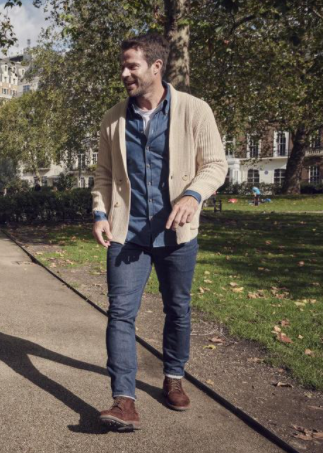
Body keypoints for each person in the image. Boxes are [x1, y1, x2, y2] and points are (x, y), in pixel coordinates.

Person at [91, 33, 227, 431]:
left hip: (176, 234)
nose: (124, 73)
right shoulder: (113, 118)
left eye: (131, 65)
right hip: (126, 233)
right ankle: (124, 400)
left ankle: (173, 376)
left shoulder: (194, 110)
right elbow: (102, 175)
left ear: (156, 66)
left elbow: (215, 164)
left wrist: (193, 196)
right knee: (120, 314)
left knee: (178, 309)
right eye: (122, 66)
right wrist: (100, 214)